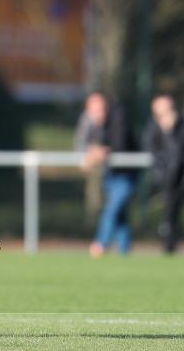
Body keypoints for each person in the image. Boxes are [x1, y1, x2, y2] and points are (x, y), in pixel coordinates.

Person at [142, 94, 184, 254]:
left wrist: (171, 132)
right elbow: (150, 149)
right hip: (170, 181)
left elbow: (182, 150)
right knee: (170, 216)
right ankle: (169, 249)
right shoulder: (152, 128)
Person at [77, 92, 139, 257]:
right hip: (110, 173)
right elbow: (81, 145)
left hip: (127, 174)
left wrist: (99, 152)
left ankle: (100, 244)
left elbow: (117, 146)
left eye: (101, 109)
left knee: (111, 210)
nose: (99, 114)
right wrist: (91, 153)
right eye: (94, 110)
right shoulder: (88, 120)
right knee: (120, 217)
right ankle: (124, 253)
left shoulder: (119, 117)